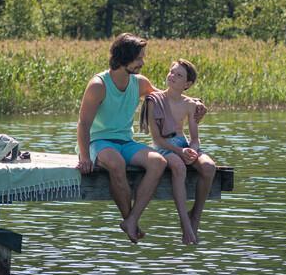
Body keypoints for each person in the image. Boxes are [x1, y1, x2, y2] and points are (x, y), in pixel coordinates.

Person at [76, 33, 168, 244]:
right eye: (139, 58)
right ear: (125, 57)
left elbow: (165, 100)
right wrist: (84, 157)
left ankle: (132, 219)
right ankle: (130, 220)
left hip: (125, 142)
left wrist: (194, 104)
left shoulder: (140, 83)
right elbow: (83, 124)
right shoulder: (98, 85)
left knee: (158, 162)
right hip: (98, 142)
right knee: (116, 162)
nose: (142, 63)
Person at [142, 59, 219, 245]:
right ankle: (185, 224)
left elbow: (194, 138)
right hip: (164, 147)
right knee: (178, 166)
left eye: (179, 75)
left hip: (183, 144)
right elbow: (158, 139)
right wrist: (179, 151)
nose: (172, 76)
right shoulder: (155, 101)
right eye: (171, 72)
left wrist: (192, 150)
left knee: (209, 167)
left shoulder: (190, 104)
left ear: (187, 84)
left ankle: (195, 217)